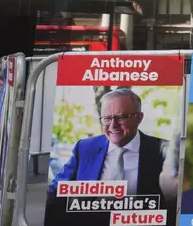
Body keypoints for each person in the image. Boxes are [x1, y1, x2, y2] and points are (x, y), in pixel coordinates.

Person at [45, 89, 172, 225]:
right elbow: (56, 190)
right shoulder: (86, 148)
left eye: (120, 117)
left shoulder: (163, 151)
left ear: (139, 118)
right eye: (107, 118)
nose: (113, 125)